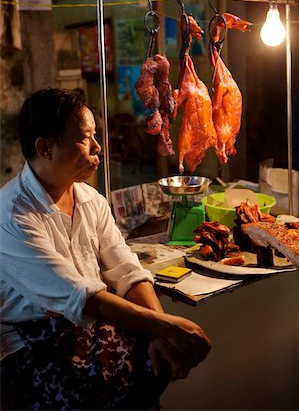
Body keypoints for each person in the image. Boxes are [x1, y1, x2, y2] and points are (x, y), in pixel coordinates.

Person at [0, 88, 211, 410]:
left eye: (94, 135)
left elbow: (126, 269)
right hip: (33, 339)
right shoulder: (12, 214)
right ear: (45, 148)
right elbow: (78, 295)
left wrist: (159, 332)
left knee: (162, 358)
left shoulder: (90, 200)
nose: (98, 147)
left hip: (89, 326)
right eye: (85, 139)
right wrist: (167, 326)